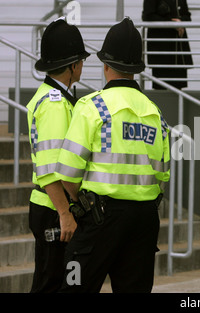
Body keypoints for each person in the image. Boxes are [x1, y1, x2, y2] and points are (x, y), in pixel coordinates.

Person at [55, 17, 170, 293]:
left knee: (74, 285)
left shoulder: (92, 107)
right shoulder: (155, 114)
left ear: (105, 65)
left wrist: (81, 203)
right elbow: (161, 175)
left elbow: (68, 174)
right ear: (136, 70)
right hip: (143, 221)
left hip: (99, 218)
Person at [26, 17, 89, 293]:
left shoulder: (55, 97)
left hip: (52, 206)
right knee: (50, 286)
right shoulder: (55, 105)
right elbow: (50, 168)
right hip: (54, 209)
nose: (83, 65)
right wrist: (65, 213)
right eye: (81, 61)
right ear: (73, 65)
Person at [142, 0, 193, 89]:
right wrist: (171, 23)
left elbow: (187, 16)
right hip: (161, 50)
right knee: (161, 89)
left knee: (178, 90)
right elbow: (147, 16)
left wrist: (180, 22)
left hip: (179, 51)